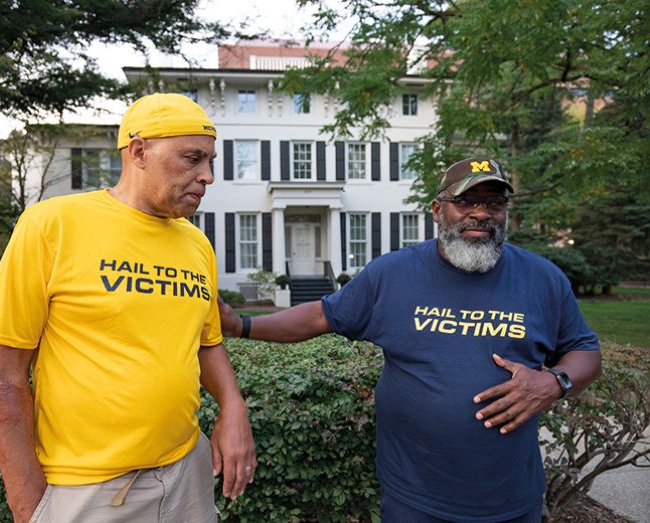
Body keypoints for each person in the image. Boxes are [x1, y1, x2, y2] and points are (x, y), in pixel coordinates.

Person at [219, 158, 601, 523]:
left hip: (510, 498)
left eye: (494, 203)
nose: (481, 213)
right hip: (414, 497)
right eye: (466, 201)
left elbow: (585, 350)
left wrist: (555, 382)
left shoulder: (542, 279)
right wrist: (242, 326)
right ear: (437, 210)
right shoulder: (394, 274)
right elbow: (322, 315)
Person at [0, 93, 256, 523]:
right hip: (87, 488)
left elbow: (206, 342)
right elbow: (3, 380)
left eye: (210, 162)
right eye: (193, 159)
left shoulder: (196, 244)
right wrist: (28, 506)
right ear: (140, 151)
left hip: (186, 472)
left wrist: (233, 408)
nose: (208, 176)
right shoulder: (52, 225)